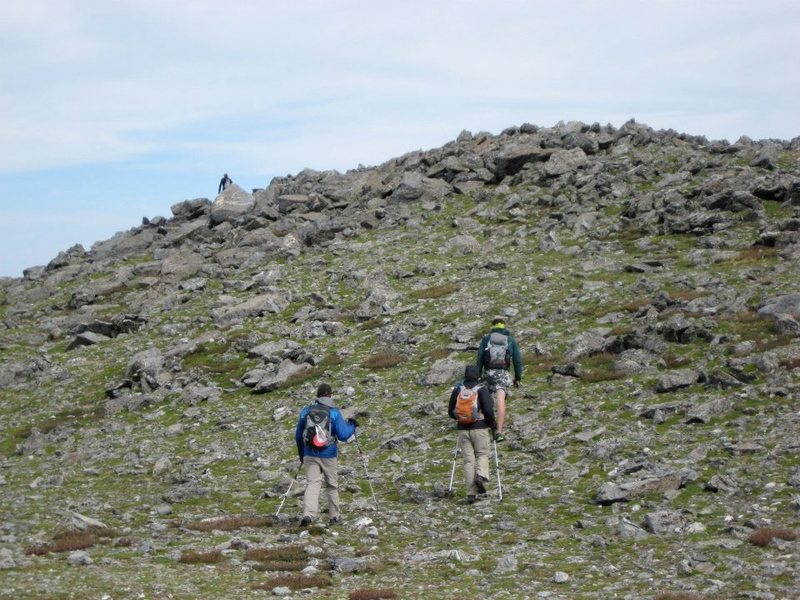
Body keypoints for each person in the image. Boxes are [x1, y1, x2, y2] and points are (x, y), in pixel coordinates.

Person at [294, 383, 357, 525]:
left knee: (312, 483)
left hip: (309, 453)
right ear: (329, 395)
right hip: (329, 454)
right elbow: (343, 435)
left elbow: (298, 436)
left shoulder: (306, 411)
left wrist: (302, 455)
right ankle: (334, 517)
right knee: (332, 485)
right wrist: (352, 425)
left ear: (317, 395)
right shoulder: (334, 412)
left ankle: (308, 515)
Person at [448, 364, 496, 504]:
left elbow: (451, 412)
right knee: (482, 454)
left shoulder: (458, 389)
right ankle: (480, 476)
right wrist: (491, 424)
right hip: (480, 428)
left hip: (463, 430)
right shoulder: (481, 389)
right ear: (478, 375)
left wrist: (461, 419)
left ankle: (471, 494)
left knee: (469, 461)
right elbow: (488, 410)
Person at [476, 316, 522, 442]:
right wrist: (518, 377)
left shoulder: (486, 339)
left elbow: (480, 358)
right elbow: (517, 360)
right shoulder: (510, 340)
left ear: (493, 325)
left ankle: (480, 428)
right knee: (500, 399)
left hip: (488, 374)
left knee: (485, 400)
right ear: (504, 325)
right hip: (503, 374)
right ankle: (499, 432)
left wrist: (477, 374)